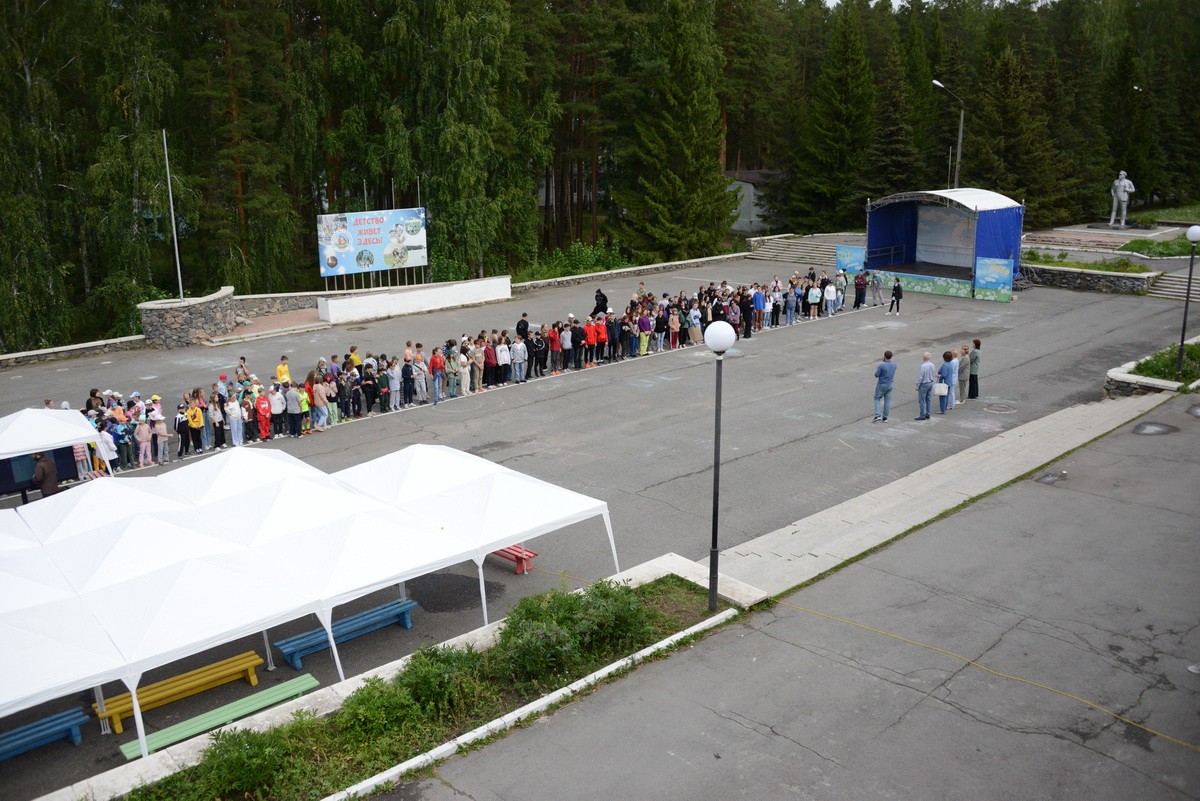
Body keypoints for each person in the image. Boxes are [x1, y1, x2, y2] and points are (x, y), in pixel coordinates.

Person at [873, 350, 897, 422]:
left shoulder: (882, 365)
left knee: (877, 398)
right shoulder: (894, 365)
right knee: (887, 401)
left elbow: (876, 375)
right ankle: (885, 417)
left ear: (884, 356)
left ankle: (878, 415)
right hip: (890, 384)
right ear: (891, 357)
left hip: (882, 384)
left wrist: (878, 369)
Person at [915, 352, 936, 420]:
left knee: (922, 400)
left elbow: (921, 377)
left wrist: (918, 385)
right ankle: (928, 413)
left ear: (924, 358)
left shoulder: (923, 366)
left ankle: (922, 415)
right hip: (930, 382)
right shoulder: (932, 365)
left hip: (924, 384)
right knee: (928, 399)